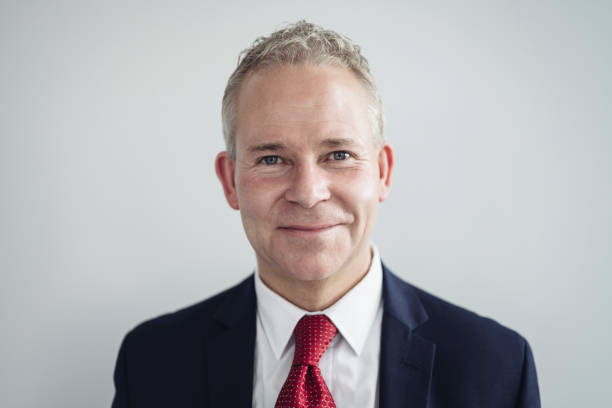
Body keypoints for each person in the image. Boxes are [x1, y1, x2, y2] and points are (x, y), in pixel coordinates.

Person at [111, 21, 541, 408]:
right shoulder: (151, 361)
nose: (309, 193)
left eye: (338, 154)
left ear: (382, 172)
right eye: (272, 159)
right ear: (230, 181)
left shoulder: (497, 366)